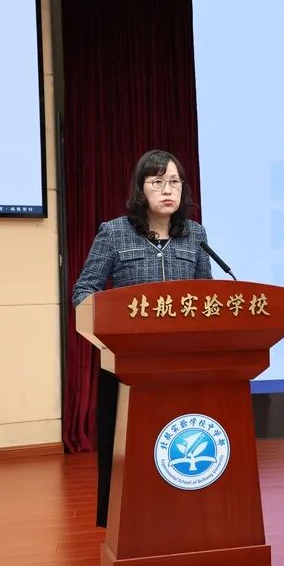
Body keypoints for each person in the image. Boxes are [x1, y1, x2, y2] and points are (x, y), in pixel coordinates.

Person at [72, 149, 213, 527]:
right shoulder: (114, 232)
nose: (168, 190)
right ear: (141, 188)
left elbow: (207, 297)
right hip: (127, 364)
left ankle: (184, 513)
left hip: (182, 365)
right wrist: (108, 335)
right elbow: (84, 291)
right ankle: (127, 519)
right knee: (132, 448)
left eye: (175, 182)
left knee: (180, 445)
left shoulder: (195, 235)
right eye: (158, 182)